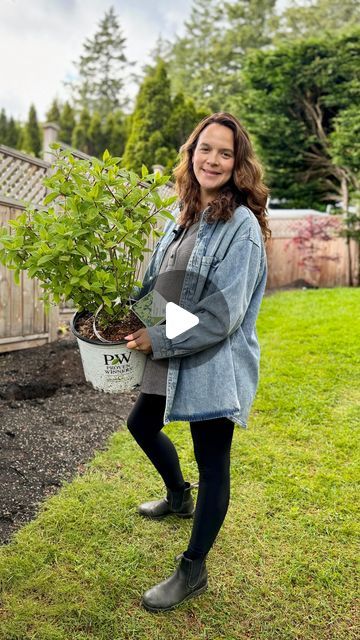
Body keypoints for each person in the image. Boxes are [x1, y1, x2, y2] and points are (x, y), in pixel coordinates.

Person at [124, 112, 270, 612]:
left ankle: (193, 569)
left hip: (213, 359)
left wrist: (158, 338)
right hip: (173, 351)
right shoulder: (182, 214)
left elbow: (221, 315)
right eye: (205, 148)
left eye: (225, 153)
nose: (213, 159)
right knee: (141, 423)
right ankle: (177, 496)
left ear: (237, 164)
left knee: (213, 462)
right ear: (191, 153)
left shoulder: (241, 227)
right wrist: (132, 317)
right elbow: (160, 285)